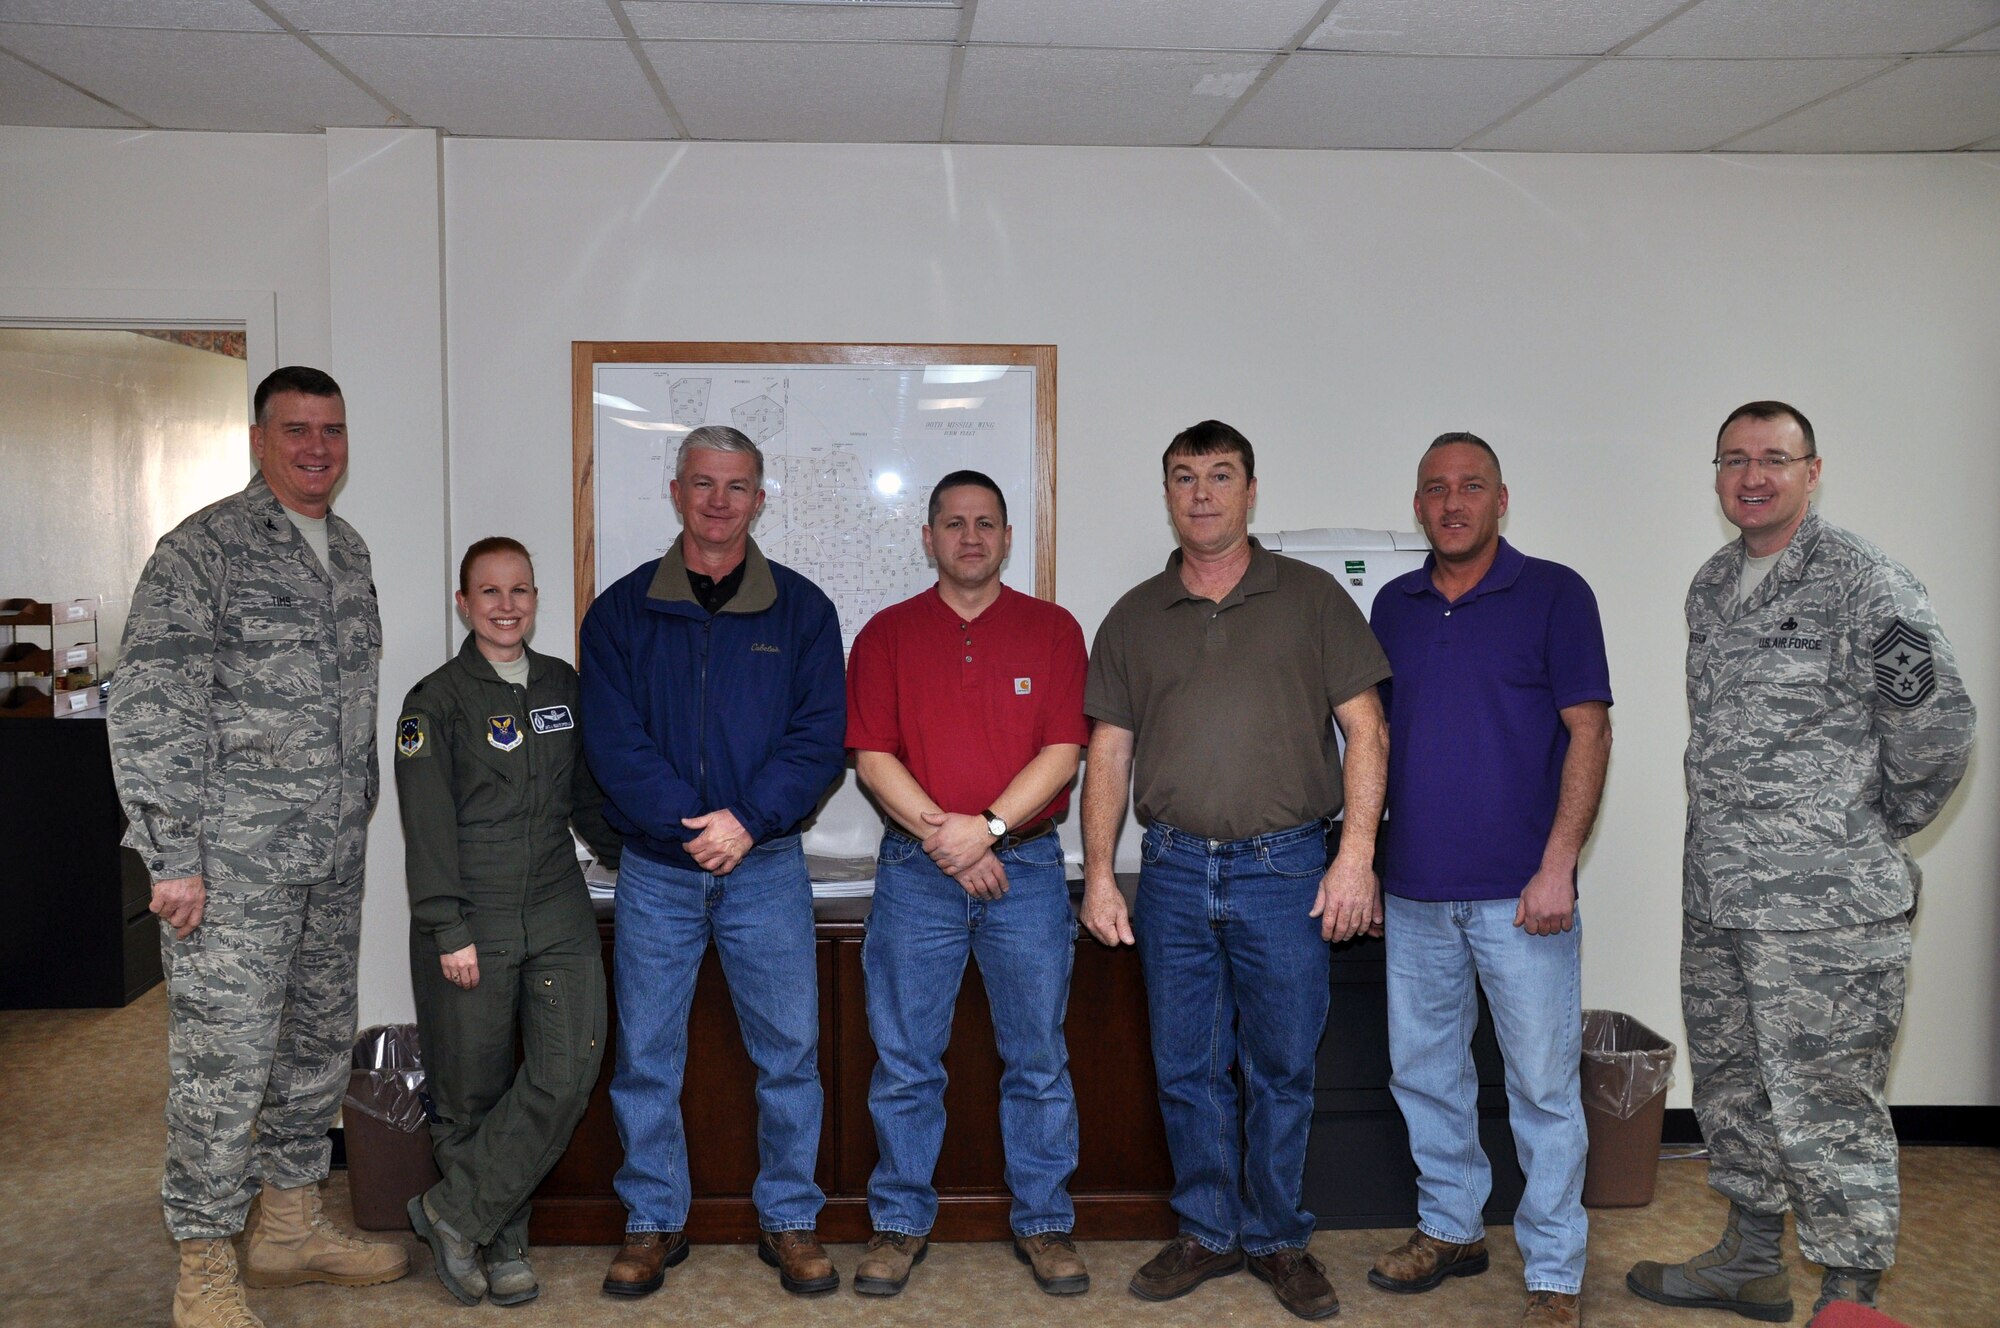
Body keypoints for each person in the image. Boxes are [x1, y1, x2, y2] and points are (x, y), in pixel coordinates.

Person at [1628, 401, 1974, 1321]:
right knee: (1734, 1086)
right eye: (1734, 459)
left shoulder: (1867, 584)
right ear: (1716, 475)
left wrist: (1860, 831)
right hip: (1722, 895)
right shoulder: (1712, 585)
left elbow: (1938, 729)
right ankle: (1750, 1262)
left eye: (1775, 459)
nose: (1753, 477)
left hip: (1827, 910)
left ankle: (1850, 1296)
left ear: (1812, 472)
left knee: (1829, 1106)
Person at [109, 365, 406, 1328]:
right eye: (296, 430)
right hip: (230, 869)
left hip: (329, 857)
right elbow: (152, 708)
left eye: (332, 430)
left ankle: (287, 1228)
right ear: (258, 440)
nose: (318, 448)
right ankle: (203, 1261)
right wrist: (171, 857)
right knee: (222, 1066)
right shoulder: (203, 550)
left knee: (313, 1050)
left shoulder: (348, 552)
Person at [1080, 420, 1391, 1321]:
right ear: (1167, 494)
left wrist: (1355, 857)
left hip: (1285, 869)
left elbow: (1366, 730)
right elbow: (1108, 752)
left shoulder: (1312, 598)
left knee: (1281, 1068)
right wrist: (1099, 874)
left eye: (1221, 476)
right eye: (1185, 477)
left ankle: (1279, 1238)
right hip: (1173, 872)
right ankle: (1209, 1231)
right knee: (1188, 1067)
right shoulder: (1134, 616)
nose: (1203, 493)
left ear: (1252, 492)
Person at [580, 424, 846, 1298]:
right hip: (657, 873)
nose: (718, 502)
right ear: (676, 492)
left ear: (760, 499)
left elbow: (818, 741)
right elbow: (613, 743)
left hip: (766, 869)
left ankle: (790, 1219)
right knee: (646, 1058)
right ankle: (653, 1218)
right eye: (703, 483)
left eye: (736, 486)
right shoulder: (620, 612)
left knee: (790, 1055)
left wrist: (746, 822)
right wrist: (693, 827)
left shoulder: (803, 611)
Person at [1365, 434, 1612, 1328]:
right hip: (1415, 891)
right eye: (1435, 488)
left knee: (1542, 1090)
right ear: (1417, 505)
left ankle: (1554, 1271)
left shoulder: (1556, 593)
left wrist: (1559, 867)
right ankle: (1451, 1229)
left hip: (1523, 898)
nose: (1453, 502)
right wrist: (1365, 862)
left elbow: (1589, 732)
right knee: (1427, 1076)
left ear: (1501, 499)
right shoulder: (1392, 606)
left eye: (1471, 486)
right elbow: (1373, 743)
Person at [845, 471, 1091, 1297]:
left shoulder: (1054, 630)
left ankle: (1046, 1223)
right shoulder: (886, 634)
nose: (971, 537)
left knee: (1038, 1058)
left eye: (986, 523)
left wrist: (984, 829)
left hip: (1026, 869)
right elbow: (873, 757)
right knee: (906, 1061)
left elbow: (1063, 752)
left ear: (1008, 537)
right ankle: (898, 1223)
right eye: (953, 523)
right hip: (917, 874)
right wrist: (952, 841)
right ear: (929, 538)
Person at [394, 537, 624, 1306]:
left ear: (535, 598)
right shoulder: (434, 701)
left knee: (567, 1070)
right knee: (471, 1094)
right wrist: (447, 928)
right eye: (489, 592)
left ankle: (452, 1214)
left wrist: (645, 855)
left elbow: (589, 798)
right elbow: (426, 826)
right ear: (464, 604)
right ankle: (502, 1244)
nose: (506, 605)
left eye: (519, 590)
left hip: (557, 903)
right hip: (472, 912)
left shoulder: (562, 685)